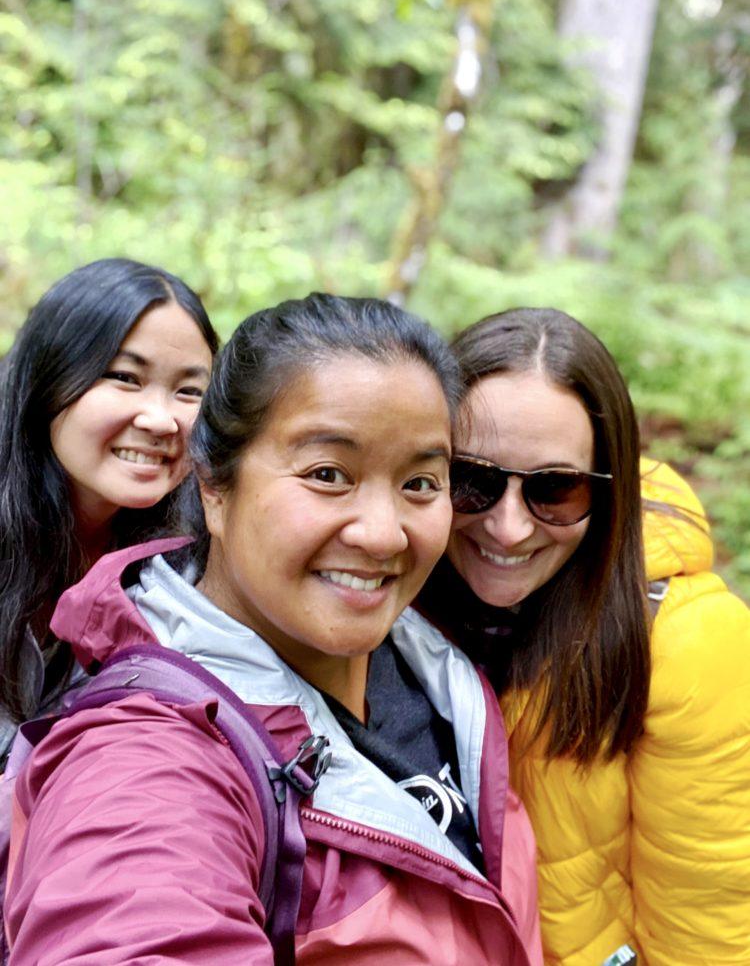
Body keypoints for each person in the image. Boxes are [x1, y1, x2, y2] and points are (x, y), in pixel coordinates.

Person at [5, 293, 541, 965]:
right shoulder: (148, 753)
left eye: (420, 483)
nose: (382, 534)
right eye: (327, 475)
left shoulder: (434, 668)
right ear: (213, 488)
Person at [418, 306, 750, 966]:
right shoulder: (384, 602)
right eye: (474, 479)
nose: (509, 528)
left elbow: (708, 928)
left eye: (556, 489)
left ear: (610, 487)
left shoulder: (689, 644)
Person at [0, 258, 218, 761]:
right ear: (48, 379)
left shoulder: (194, 572)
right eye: (124, 377)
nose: (162, 420)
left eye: (189, 391)